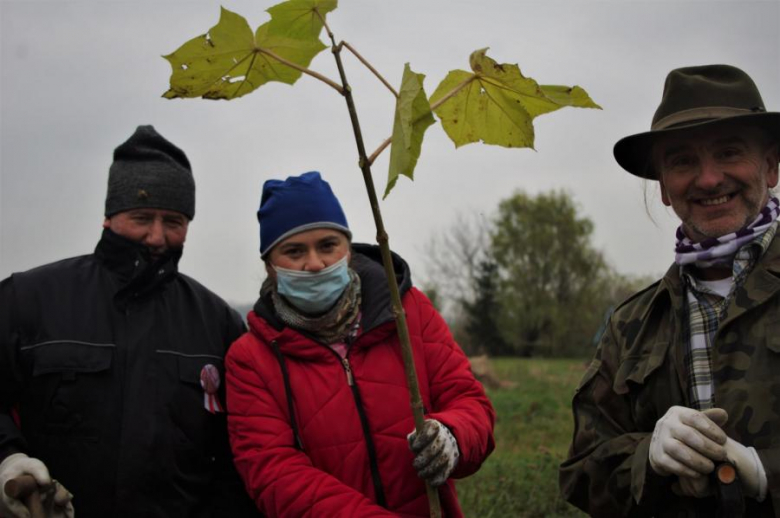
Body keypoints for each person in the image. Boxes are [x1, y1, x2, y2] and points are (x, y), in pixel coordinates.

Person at [0, 125, 258, 518]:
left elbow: (238, 451)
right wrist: (7, 457)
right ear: (109, 216)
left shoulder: (218, 322)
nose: (156, 237)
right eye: (141, 217)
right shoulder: (27, 298)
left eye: (173, 221)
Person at [559, 64, 780, 516]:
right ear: (663, 187)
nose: (708, 179)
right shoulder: (631, 325)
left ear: (771, 166)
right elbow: (582, 475)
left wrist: (764, 472)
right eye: (682, 161)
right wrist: (648, 461)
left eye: (729, 152)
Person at [225, 171, 496, 517]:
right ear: (270, 265)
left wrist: (454, 437)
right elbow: (274, 473)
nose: (315, 264)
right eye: (294, 251)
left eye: (327, 245)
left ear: (348, 250)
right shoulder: (251, 359)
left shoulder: (408, 312)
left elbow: (470, 402)